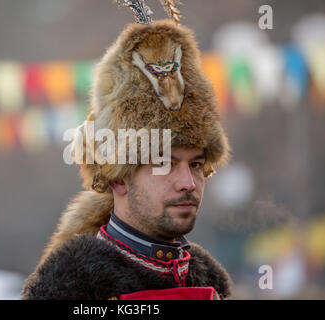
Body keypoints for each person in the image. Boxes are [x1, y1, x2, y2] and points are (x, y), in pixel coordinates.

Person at [22, 1, 232, 300]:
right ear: (118, 177)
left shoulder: (209, 276)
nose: (188, 182)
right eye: (164, 162)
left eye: (196, 164)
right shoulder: (68, 286)